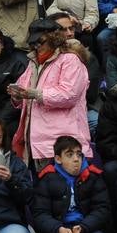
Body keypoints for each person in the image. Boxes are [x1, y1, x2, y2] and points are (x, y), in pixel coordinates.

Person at [30, 135, 114, 233]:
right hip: (59, 229)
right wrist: (59, 230)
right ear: (58, 159)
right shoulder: (47, 178)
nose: (76, 159)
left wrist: (83, 227)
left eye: (79, 154)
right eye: (69, 155)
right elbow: (40, 214)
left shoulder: (93, 176)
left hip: (86, 227)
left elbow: (102, 209)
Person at [12, 35, 92, 166]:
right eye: (34, 43)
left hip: (64, 142)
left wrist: (36, 94)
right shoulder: (33, 63)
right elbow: (23, 92)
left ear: (52, 40)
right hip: (34, 141)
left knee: (66, 184)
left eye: (40, 42)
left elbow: (69, 95)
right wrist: (17, 96)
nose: (37, 46)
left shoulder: (70, 59)